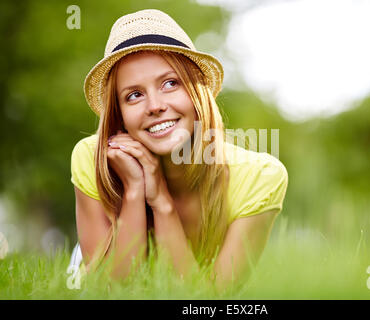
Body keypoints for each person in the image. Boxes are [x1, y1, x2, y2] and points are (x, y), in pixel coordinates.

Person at [69, 9, 288, 289]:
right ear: (119, 114)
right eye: (134, 95)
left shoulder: (260, 177)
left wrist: (161, 200)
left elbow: (208, 303)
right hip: (100, 266)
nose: (155, 106)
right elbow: (111, 292)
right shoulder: (93, 157)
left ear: (197, 91)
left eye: (170, 83)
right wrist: (135, 190)